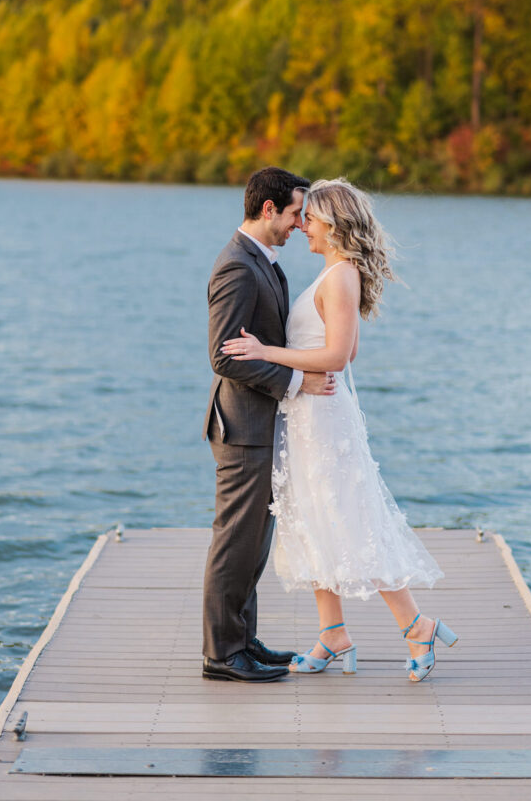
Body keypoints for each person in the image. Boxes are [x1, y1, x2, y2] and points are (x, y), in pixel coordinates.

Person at [221, 178, 457, 681]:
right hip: (304, 413)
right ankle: (333, 635)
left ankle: (416, 625)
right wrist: (289, 371)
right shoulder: (330, 273)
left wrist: (267, 353)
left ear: (332, 224)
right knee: (311, 520)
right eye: (300, 216)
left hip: (324, 417)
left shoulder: (341, 275)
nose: (302, 224)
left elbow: (338, 355)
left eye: (311, 218)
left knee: (350, 519)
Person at [201, 167, 336, 683]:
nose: (300, 224)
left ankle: (241, 640)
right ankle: (221, 655)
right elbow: (223, 357)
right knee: (235, 540)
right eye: (296, 213)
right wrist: (298, 383)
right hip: (241, 426)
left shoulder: (265, 262)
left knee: (255, 541)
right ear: (268, 210)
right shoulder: (237, 266)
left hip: (263, 424)